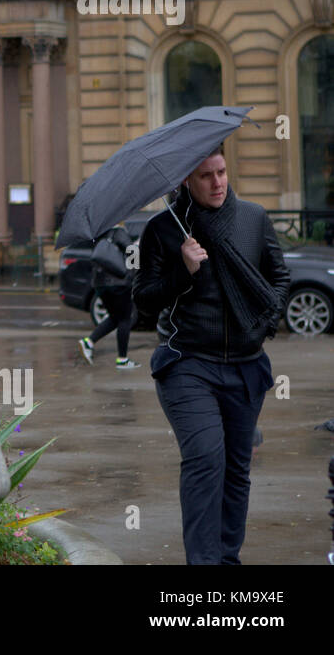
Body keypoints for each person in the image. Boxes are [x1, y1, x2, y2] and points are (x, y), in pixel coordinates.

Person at [133, 143, 289, 565]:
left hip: (245, 365)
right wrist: (181, 272)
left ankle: (226, 559)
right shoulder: (164, 230)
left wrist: (263, 321)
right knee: (206, 458)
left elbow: (278, 276)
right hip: (187, 364)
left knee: (237, 470)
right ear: (187, 179)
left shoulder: (253, 218)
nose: (217, 182)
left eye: (221, 172)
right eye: (206, 176)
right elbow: (144, 302)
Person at [78, 223, 139, 368]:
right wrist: (133, 275)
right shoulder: (118, 232)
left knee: (114, 317)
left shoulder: (99, 234)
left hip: (99, 284)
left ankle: (88, 342)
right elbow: (132, 251)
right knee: (125, 319)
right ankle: (122, 360)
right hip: (118, 283)